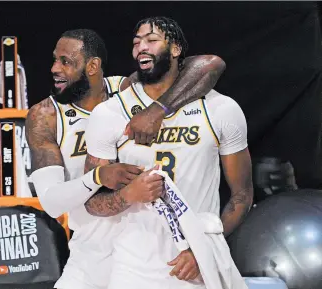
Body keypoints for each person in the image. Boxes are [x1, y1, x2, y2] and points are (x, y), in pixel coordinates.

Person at [26, 28, 226, 289]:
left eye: (66, 61)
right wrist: (98, 176)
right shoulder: (45, 116)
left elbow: (210, 64)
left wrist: (158, 109)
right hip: (91, 252)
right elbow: (51, 203)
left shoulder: (126, 90)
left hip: (146, 249)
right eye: (55, 60)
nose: (54, 68)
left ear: (93, 66)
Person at [84, 16, 253, 289]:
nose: (141, 47)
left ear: (175, 49)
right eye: (137, 42)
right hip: (132, 268)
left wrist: (205, 247)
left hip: (196, 265)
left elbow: (242, 196)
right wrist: (129, 194)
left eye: (151, 40)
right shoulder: (109, 113)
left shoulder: (222, 109)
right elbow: (91, 201)